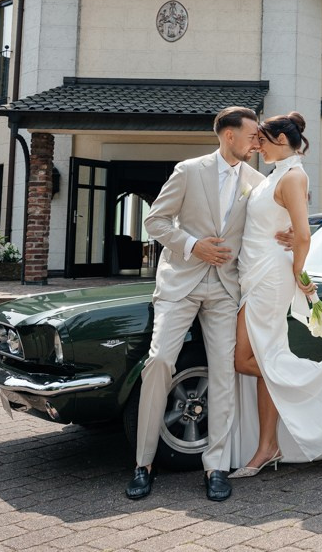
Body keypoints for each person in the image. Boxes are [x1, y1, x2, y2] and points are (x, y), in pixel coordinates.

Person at [231, 111, 322, 476]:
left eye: (262, 141)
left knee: (246, 360)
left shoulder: (294, 176)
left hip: (270, 276)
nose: (258, 146)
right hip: (253, 272)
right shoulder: (274, 175)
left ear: (282, 141)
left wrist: (299, 271)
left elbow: (303, 232)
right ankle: (267, 446)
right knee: (265, 360)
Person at [126, 106, 264, 502]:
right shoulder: (188, 170)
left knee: (224, 371)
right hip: (181, 282)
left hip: (225, 289)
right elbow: (156, 220)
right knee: (159, 363)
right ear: (228, 135)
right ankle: (143, 463)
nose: (257, 142)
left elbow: (262, 229)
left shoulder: (255, 180)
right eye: (252, 135)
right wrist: (192, 246)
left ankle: (216, 465)